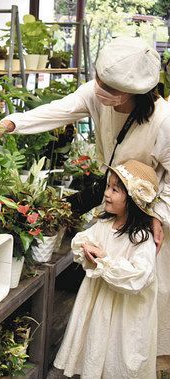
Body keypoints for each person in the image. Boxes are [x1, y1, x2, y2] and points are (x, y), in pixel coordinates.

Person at [0, 36, 170, 355]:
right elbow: (60, 111)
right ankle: (98, 354)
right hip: (113, 204)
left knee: (140, 293)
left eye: (107, 86)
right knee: (102, 288)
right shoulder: (98, 94)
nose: (97, 87)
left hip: (144, 216)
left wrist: (158, 215)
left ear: (132, 92)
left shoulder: (163, 122)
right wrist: (10, 123)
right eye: (98, 79)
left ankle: (138, 359)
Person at [54, 159, 158, 378]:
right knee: (95, 345)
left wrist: (106, 260)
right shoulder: (104, 225)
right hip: (97, 302)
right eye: (108, 187)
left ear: (133, 200)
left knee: (116, 354)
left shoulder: (141, 238)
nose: (107, 194)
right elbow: (82, 241)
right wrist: (88, 250)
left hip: (124, 310)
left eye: (115, 189)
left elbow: (140, 276)